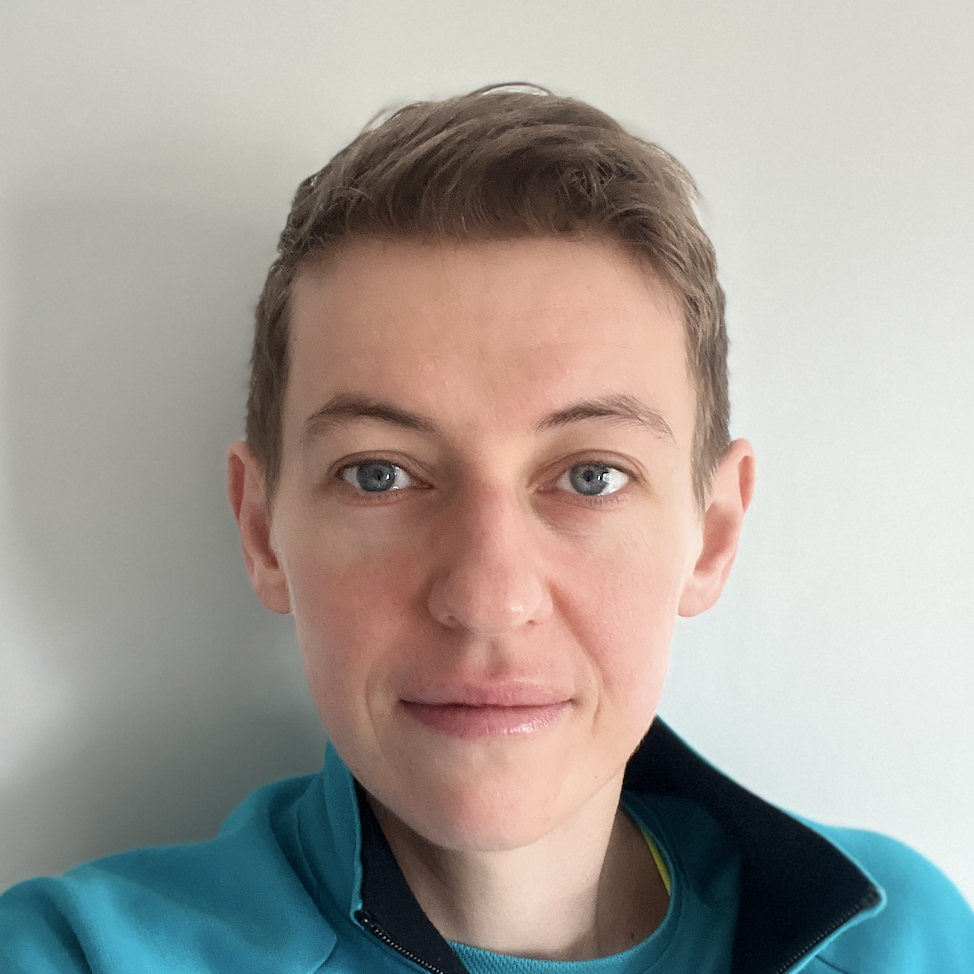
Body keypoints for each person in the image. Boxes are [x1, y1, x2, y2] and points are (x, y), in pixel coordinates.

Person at [1, 83, 972, 973]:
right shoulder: (68, 955)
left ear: (711, 533)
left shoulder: (903, 936)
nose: (487, 595)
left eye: (589, 476)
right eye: (378, 473)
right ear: (262, 530)